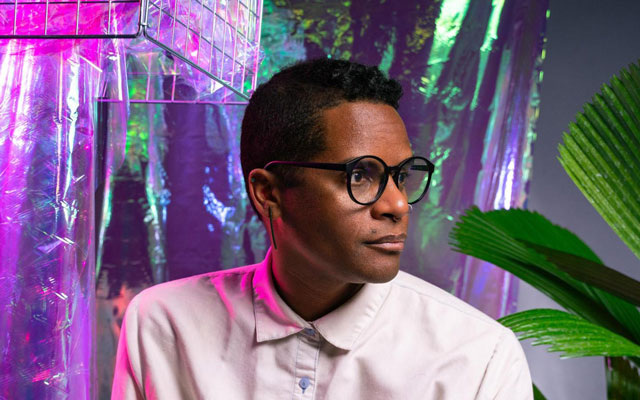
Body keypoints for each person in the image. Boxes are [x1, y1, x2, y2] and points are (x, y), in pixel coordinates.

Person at [111, 59, 533, 399]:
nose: (398, 205)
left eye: (401, 176)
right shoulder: (164, 325)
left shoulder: (478, 357)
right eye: (360, 175)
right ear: (268, 192)